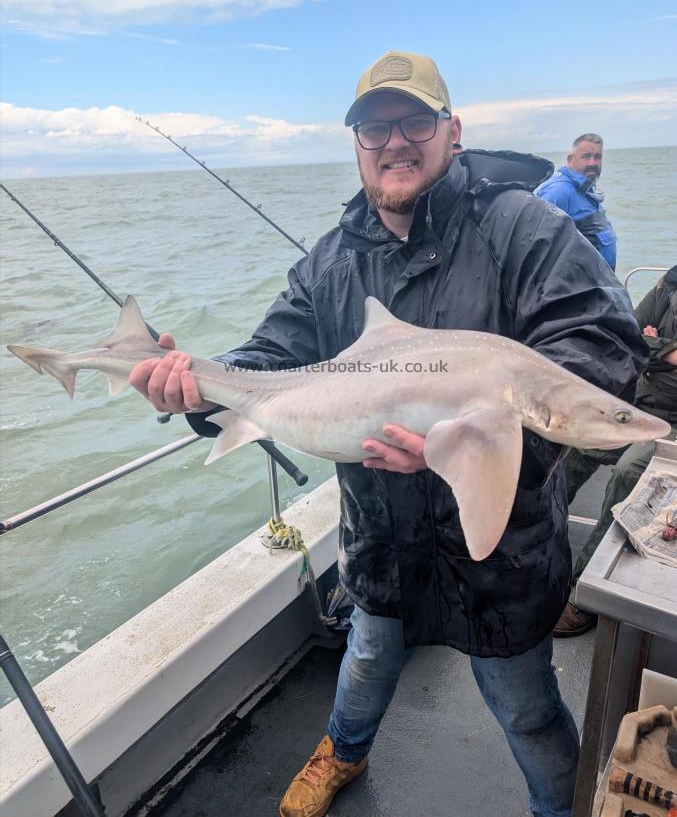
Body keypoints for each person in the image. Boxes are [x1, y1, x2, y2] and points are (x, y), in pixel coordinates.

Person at [129, 51, 647, 817]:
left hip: (500, 549)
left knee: (527, 705)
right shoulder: (332, 263)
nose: (394, 143)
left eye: (413, 123)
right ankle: (341, 751)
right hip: (379, 540)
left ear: (452, 130)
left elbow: (599, 346)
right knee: (366, 659)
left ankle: (556, 808)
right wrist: (196, 389)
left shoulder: (521, 227)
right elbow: (266, 360)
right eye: (375, 130)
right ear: (357, 145)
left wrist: (486, 443)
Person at [555, 266, 677, 637]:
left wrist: (656, 345)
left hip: (672, 429)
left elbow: (646, 340)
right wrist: (667, 351)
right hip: (638, 404)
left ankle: (585, 593)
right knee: (574, 447)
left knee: (629, 471)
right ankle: (538, 543)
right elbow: (631, 335)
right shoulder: (671, 282)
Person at [534, 133, 617, 270]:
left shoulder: (587, 190)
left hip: (599, 282)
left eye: (598, 157)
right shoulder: (560, 191)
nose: (592, 163)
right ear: (570, 159)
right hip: (577, 284)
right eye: (586, 157)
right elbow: (537, 243)